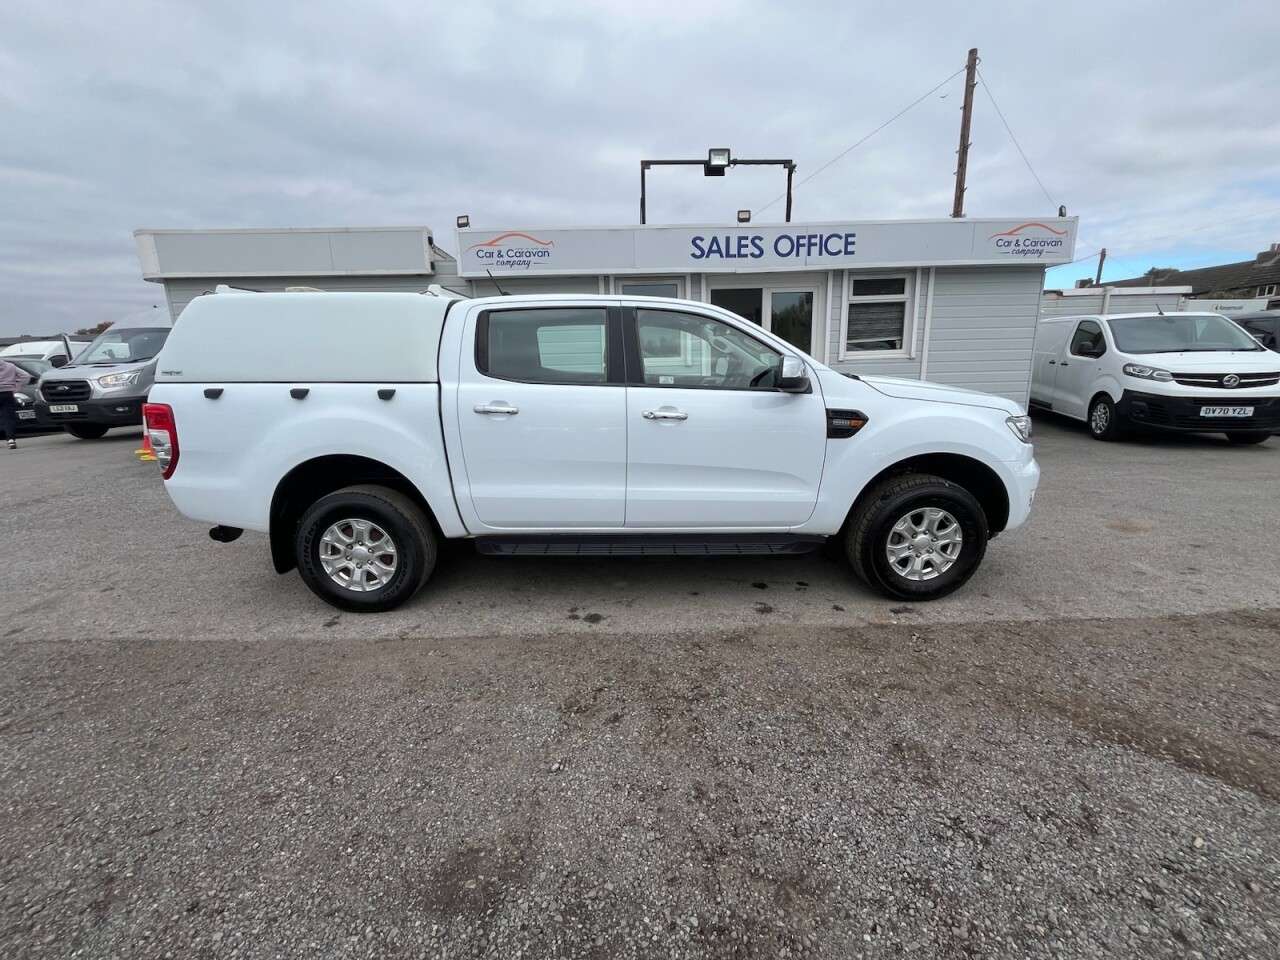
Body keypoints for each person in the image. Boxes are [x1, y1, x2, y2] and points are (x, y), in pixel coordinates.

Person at [0, 357, 31, 450]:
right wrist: (16, 386)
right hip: (8, 393)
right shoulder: (10, 366)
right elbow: (26, 376)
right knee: (8, 417)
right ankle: (11, 440)